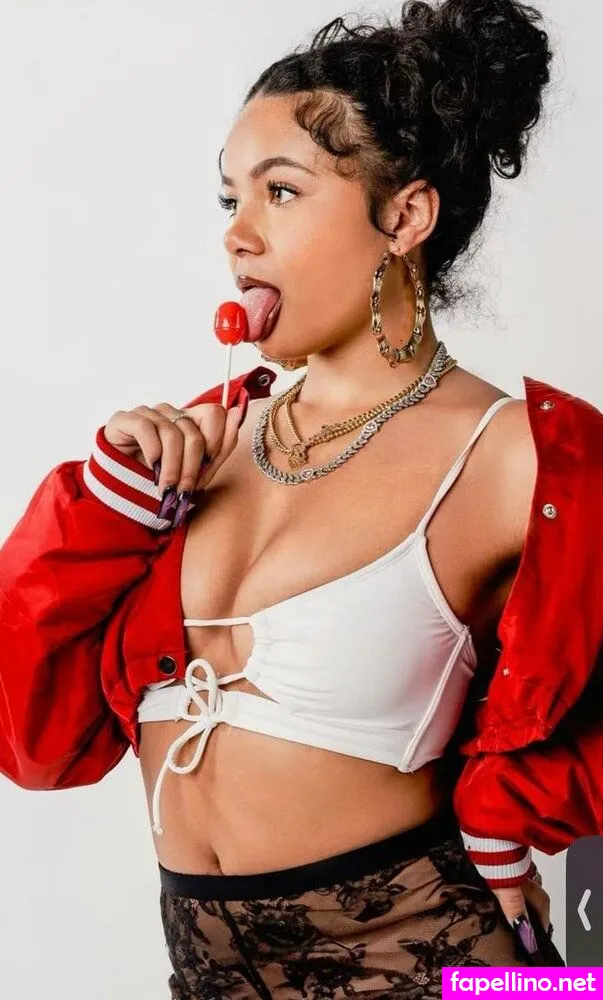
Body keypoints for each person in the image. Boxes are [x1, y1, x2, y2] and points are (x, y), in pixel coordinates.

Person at [4, 0, 594, 994]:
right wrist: (98, 514)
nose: (238, 236)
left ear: (404, 217)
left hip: (439, 968)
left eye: (280, 192)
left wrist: (509, 813)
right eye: (228, 198)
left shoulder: (518, 457)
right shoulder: (202, 442)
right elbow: (32, 743)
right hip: (208, 974)